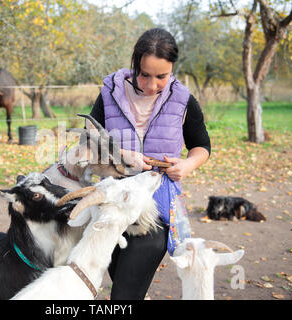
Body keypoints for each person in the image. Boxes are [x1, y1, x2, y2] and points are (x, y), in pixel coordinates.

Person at [88, 28, 211, 300]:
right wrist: (121, 154)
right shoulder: (109, 93)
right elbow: (89, 138)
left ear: (172, 70)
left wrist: (188, 165)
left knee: (124, 294)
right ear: (135, 64)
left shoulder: (182, 100)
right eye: (144, 74)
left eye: (161, 77)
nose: (152, 85)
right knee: (121, 278)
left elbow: (202, 146)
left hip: (155, 210)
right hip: (111, 204)